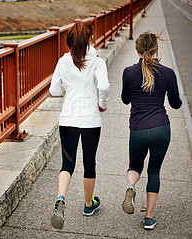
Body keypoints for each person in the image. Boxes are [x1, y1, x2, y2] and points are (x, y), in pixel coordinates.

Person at [49, 21, 110, 229]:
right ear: (89, 39)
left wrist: (69, 88)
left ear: (69, 42)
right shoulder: (97, 62)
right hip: (91, 120)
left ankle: (61, 198)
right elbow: (104, 86)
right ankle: (87, 204)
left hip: (68, 119)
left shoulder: (63, 62)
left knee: (67, 164)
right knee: (89, 162)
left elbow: (54, 90)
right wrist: (102, 105)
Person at [121, 32, 182, 230]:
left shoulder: (129, 72)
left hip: (138, 129)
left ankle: (131, 186)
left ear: (137, 50)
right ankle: (148, 217)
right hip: (160, 128)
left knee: (135, 166)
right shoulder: (167, 73)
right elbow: (175, 104)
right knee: (154, 170)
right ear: (155, 49)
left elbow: (125, 99)